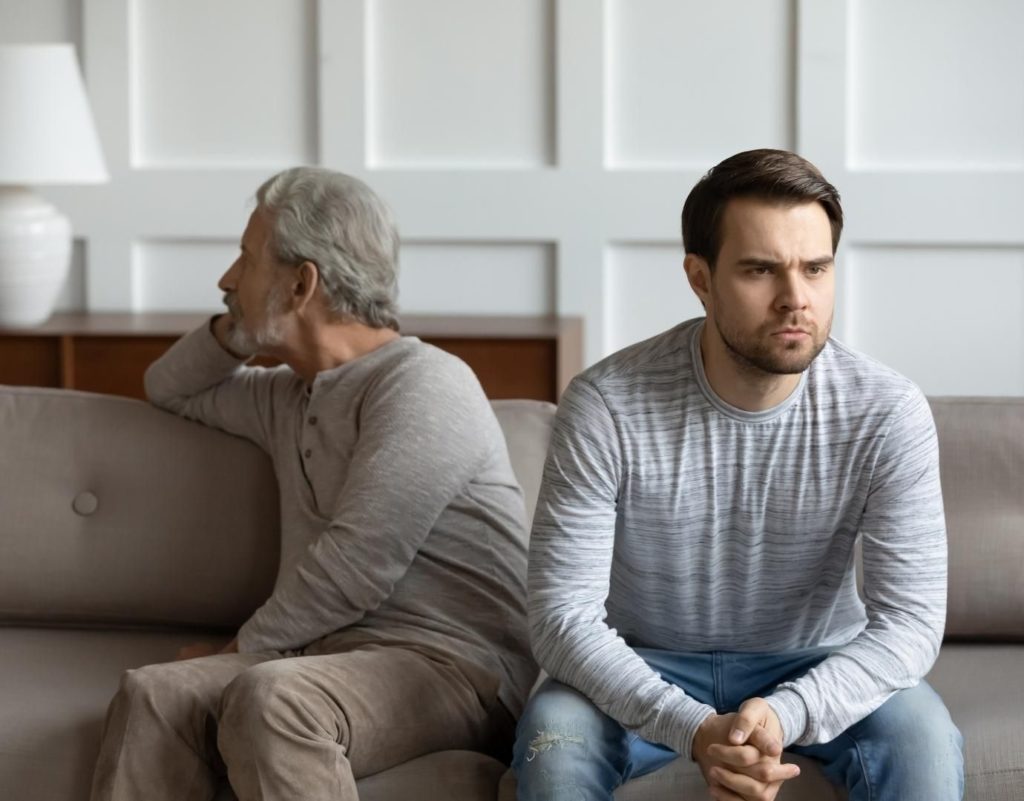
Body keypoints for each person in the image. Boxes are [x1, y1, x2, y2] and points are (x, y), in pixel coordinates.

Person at [513, 149, 963, 801]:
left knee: (922, 739)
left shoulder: (887, 412)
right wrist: (694, 727)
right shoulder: (606, 403)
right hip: (643, 658)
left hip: (818, 659)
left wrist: (788, 712)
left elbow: (911, 623)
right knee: (553, 740)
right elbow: (561, 615)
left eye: (816, 268)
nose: (795, 299)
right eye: (760, 270)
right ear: (701, 278)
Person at [90, 167, 535, 801]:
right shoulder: (286, 396)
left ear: (302, 283)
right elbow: (170, 386)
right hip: (325, 659)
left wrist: (236, 649)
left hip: (455, 667)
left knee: (271, 698)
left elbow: (359, 563)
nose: (225, 279)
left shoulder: (425, 383)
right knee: (154, 691)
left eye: (245, 259)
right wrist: (238, 326)